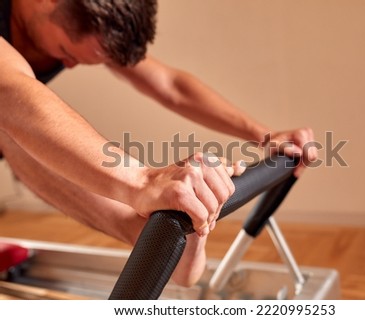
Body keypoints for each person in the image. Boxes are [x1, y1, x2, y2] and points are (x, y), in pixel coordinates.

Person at [0, 0, 317, 287]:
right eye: (66, 53)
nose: (67, 66)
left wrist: (264, 135)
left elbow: (171, 86)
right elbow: (13, 94)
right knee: (10, 123)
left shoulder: (72, 22)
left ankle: (142, 232)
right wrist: (143, 182)